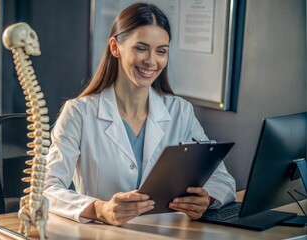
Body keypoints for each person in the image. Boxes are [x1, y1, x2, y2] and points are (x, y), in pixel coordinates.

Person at [43, 2, 236, 226]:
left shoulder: (180, 111)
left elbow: (222, 179)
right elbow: (46, 189)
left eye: (161, 51)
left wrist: (206, 199)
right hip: (103, 233)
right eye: (141, 48)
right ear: (115, 47)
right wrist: (100, 209)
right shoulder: (79, 113)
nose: (152, 61)